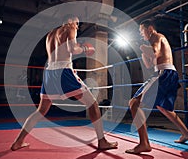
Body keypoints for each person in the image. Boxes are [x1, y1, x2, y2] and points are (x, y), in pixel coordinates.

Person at [11, 15, 118, 151]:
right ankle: (102, 141)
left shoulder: (50, 34)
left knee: (41, 110)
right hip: (64, 72)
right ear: (69, 21)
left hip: (49, 71)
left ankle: (18, 141)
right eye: (76, 23)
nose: (77, 26)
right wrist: (85, 49)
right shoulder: (69, 28)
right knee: (93, 104)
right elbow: (72, 50)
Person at [126, 19, 188, 154]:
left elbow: (155, 52)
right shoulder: (152, 41)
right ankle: (186, 133)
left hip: (164, 73)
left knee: (134, 103)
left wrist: (143, 48)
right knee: (164, 107)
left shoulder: (156, 36)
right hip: (170, 73)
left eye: (141, 30)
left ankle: (144, 143)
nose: (141, 34)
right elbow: (149, 64)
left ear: (149, 29)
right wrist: (142, 50)